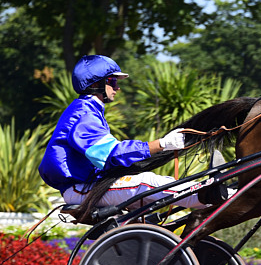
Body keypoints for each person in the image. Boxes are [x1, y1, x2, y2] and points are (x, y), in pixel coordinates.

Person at [39, 54, 226, 211]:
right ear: (96, 84)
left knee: (152, 190)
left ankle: (209, 199)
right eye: (113, 81)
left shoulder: (89, 109)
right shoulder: (83, 114)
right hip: (80, 189)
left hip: (87, 186)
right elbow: (111, 154)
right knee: (146, 183)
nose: (118, 88)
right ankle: (212, 195)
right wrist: (161, 144)